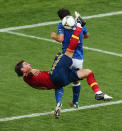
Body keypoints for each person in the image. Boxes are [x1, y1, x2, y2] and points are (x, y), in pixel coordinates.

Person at [15, 23, 112, 118]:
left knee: (88, 72)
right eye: (26, 64)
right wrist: (31, 71)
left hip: (60, 81)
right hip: (56, 75)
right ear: (22, 69)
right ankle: (78, 26)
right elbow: (28, 75)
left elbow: (57, 87)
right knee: (69, 51)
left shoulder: (30, 81)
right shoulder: (26, 77)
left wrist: (58, 102)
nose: (29, 64)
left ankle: (98, 93)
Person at [51, 8, 89, 108]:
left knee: (58, 80)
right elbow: (87, 35)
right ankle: (75, 102)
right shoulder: (77, 23)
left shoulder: (62, 24)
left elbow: (60, 39)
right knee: (76, 80)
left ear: (60, 18)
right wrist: (78, 37)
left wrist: (54, 36)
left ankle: (58, 102)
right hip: (79, 59)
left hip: (67, 57)